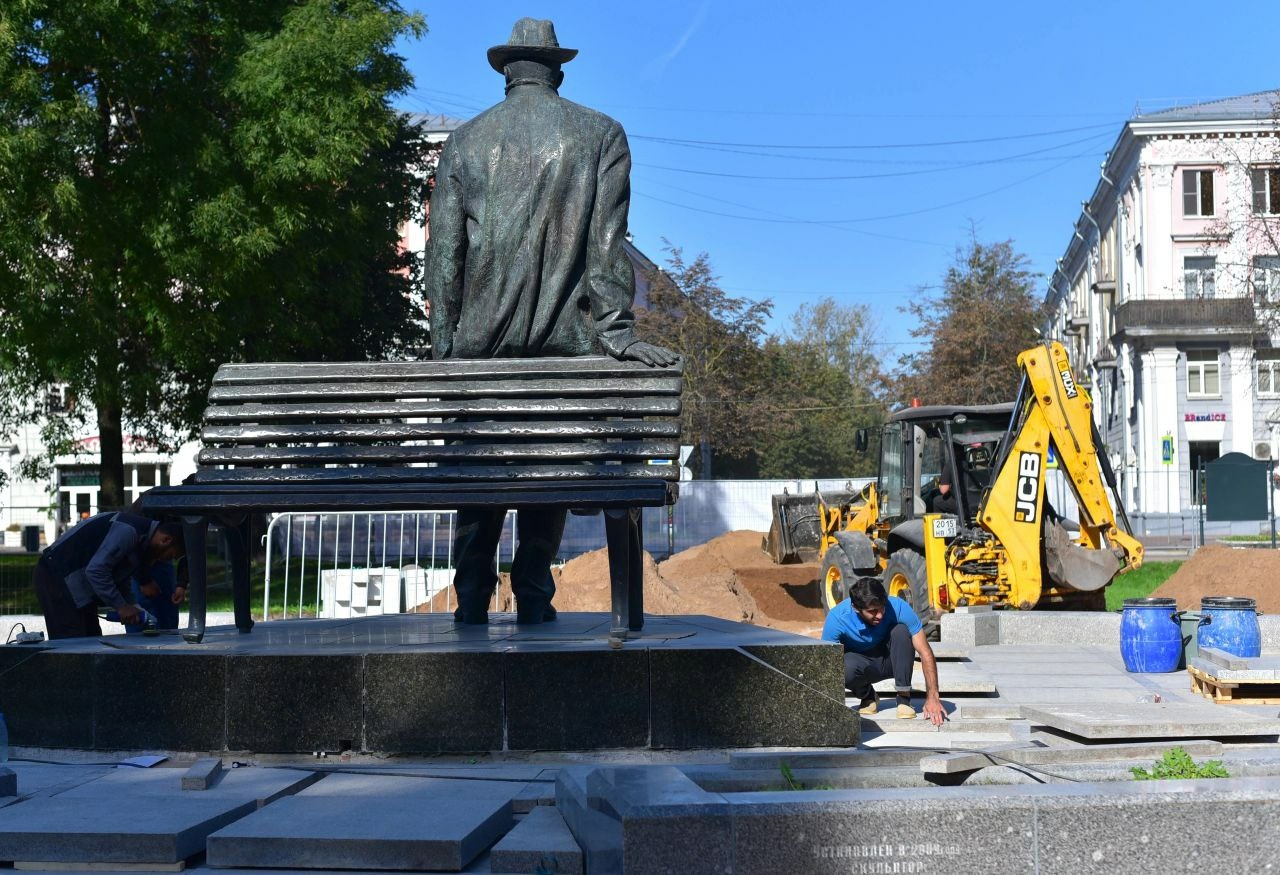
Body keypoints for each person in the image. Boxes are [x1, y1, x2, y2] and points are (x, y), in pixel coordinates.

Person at [424, 18, 677, 625]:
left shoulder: (466, 143)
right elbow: (606, 249)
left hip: (477, 358)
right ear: (557, 70)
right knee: (549, 470)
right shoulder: (600, 135)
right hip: (566, 358)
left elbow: (443, 258)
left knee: (476, 482)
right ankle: (534, 590)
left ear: (507, 72)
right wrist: (617, 333)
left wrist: (444, 349)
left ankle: (471, 600)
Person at [34, 511, 185, 639]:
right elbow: (97, 571)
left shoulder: (140, 538)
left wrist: (130, 604)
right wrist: (121, 606)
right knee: (72, 645)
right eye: (170, 556)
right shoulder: (128, 531)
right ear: (166, 540)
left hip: (73, 583)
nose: (164, 560)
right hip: (56, 578)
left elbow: (120, 575)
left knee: (90, 642)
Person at [821, 576, 946, 725]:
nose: (879, 615)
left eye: (882, 608)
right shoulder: (837, 619)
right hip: (863, 666)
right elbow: (826, 664)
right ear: (856, 608)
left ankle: (904, 698)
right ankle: (868, 696)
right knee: (841, 666)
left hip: (894, 661)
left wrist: (933, 696)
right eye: (872, 611)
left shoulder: (899, 607)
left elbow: (925, 652)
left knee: (901, 630)